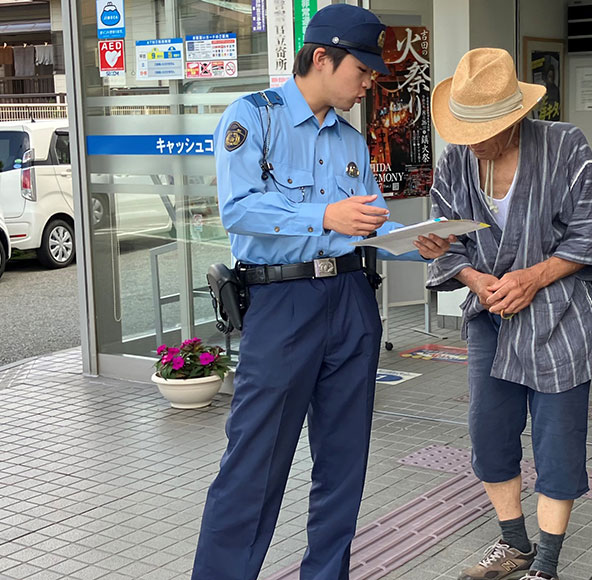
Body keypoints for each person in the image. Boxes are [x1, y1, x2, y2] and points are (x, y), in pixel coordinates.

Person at [191, 5, 453, 579]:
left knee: (344, 462)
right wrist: (324, 215)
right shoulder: (252, 118)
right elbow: (239, 212)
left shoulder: (351, 141)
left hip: (352, 302)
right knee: (254, 463)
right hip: (282, 304)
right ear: (319, 58)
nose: (368, 84)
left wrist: (412, 241)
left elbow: (368, 223)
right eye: (360, 71)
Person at [426, 48, 592, 580]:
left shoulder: (564, 146)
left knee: (558, 442)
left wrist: (533, 276)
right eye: (465, 131)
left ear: (515, 117)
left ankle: (548, 565)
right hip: (491, 318)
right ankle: (514, 545)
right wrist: (474, 278)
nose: (474, 143)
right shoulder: (455, 160)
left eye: (485, 129)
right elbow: (445, 241)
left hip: (558, 317)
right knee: (488, 434)